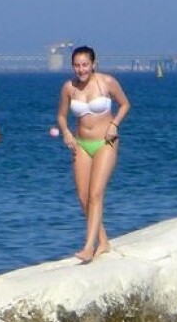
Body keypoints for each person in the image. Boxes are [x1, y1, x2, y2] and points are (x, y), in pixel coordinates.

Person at [56, 45, 131, 262]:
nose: (81, 70)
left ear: (93, 64)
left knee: (96, 194)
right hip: (81, 144)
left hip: (106, 142)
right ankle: (103, 241)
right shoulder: (69, 88)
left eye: (85, 65)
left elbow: (125, 104)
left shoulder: (107, 82)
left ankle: (89, 247)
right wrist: (66, 133)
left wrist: (114, 124)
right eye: (77, 66)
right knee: (83, 197)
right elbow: (61, 115)